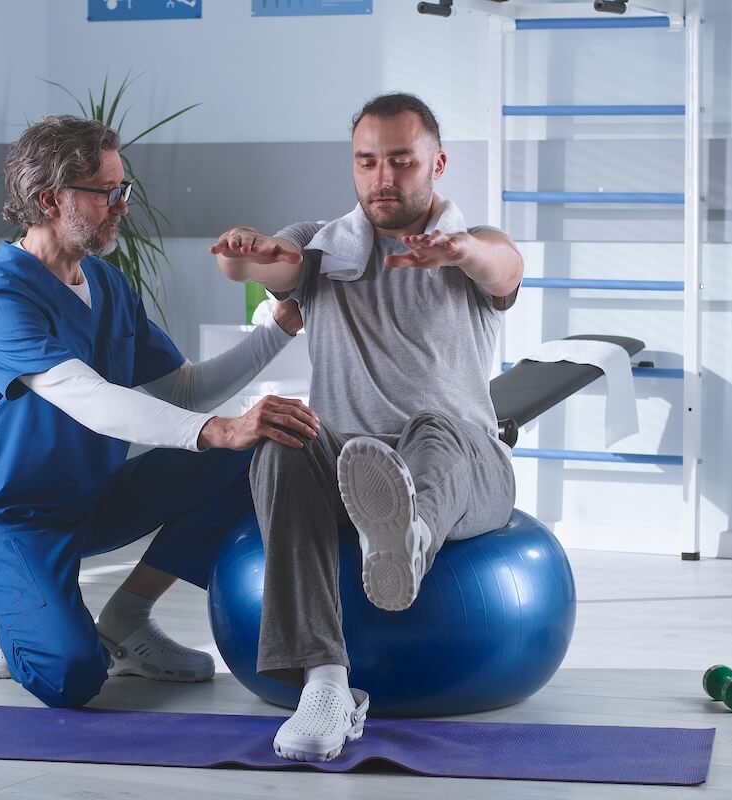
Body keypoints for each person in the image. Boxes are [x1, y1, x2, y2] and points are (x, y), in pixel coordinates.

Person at [0, 115, 319, 709]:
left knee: (251, 455)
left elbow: (186, 391)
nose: (122, 205)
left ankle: (128, 617)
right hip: (8, 518)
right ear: (49, 200)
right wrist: (218, 429)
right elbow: (88, 399)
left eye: (125, 189)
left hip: (92, 500)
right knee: (71, 676)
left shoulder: (108, 286)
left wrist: (276, 331)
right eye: (106, 192)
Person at [211, 93, 524, 761]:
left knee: (434, 423)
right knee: (281, 431)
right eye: (368, 162)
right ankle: (326, 684)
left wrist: (461, 250)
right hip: (351, 466)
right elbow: (269, 265)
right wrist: (245, 253)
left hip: (463, 463)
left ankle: (408, 536)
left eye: (402, 161)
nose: (383, 178)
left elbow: (503, 265)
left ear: (438, 164)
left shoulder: (472, 245)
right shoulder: (319, 247)